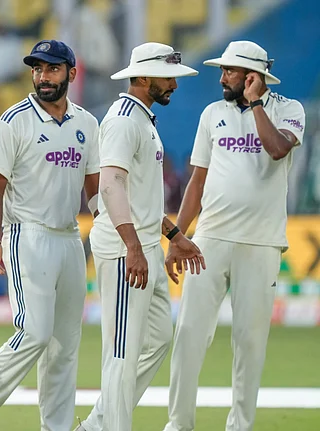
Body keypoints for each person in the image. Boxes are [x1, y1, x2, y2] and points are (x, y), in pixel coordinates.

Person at [0, 39, 101, 431]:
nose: (43, 77)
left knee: (65, 345)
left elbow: (95, 190)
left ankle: (58, 427)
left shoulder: (87, 123)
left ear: (71, 73)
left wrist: (112, 229)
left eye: (52, 69)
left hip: (68, 238)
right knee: (33, 332)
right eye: (37, 69)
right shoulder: (14, 121)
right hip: (25, 233)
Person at [164, 41, 306, 431]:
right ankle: (179, 423)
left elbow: (276, 150)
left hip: (261, 242)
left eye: (228, 71)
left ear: (251, 77)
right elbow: (198, 180)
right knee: (189, 333)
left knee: (249, 342)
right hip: (209, 239)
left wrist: (256, 104)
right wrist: (178, 235)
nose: (222, 77)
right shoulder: (212, 114)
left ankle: (239, 425)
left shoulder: (288, 110)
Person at [74, 43, 205, 431]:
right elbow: (111, 184)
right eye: (169, 78)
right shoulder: (123, 120)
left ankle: (99, 424)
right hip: (124, 248)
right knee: (121, 352)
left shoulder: (142, 119)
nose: (175, 86)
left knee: (159, 338)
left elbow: (139, 194)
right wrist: (132, 246)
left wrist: (173, 234)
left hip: (145, 243)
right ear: (143, 77)